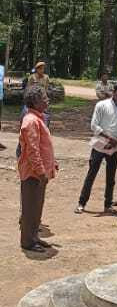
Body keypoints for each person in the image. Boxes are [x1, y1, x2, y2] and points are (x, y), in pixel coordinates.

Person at [76, 84, 117, 214]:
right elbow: (94, 125)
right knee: (91, 174)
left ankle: (107, 204)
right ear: (114, 92)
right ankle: (82, 203)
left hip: (114, 146)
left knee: (111, 177)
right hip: (100, 144)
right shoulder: (101, 105)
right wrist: (109, 137)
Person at [18, 87, 56, 252]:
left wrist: (51, 163)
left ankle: (34, 237)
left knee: (36, 208)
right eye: (44, 98)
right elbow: (33, 151)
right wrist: (41, 172)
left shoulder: (38, 119)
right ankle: (27, 242)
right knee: (30, 209)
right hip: (33, 174)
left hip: (40, 173)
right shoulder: (31, 121)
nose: (47, 100)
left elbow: (43, 147)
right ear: (35, 101)